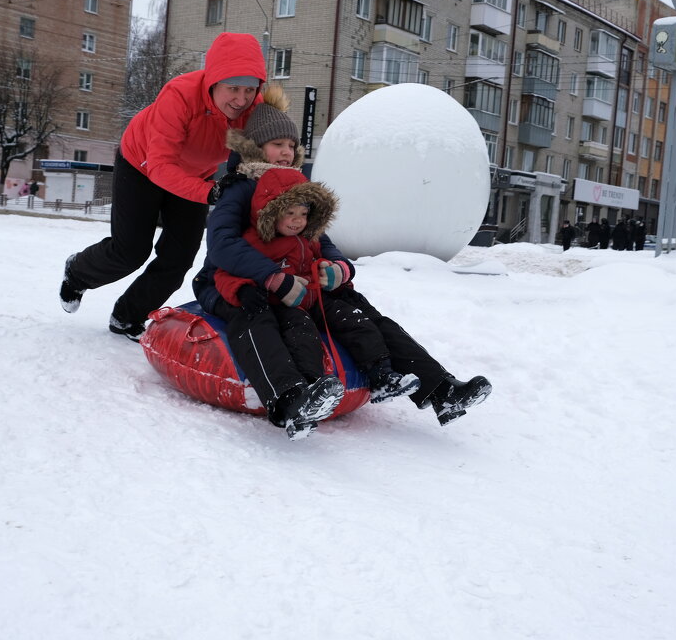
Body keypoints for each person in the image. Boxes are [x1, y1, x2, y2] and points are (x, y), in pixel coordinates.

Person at [193, 85, 491, 429]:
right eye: (278, 145)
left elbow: (319, 237)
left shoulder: (295, 186)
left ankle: (439, 389)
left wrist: (338, 268)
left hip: (299, 280)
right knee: (256, 315)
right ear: (255, 147)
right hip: (233, 282)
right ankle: (289, 397)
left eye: (291, 145)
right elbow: (222, 245)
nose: (287, 152)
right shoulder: (238, 187)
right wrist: (272, 277)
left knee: (363, 310)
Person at [59, 32, 266, 341]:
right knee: (130, 251)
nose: (241, 99)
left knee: (179, 257)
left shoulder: (254, 108)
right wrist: (210, 192)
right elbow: (160, 166)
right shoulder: (180, 95)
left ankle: (127, 316)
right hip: (142, 165)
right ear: (213, 82)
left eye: (249, 90)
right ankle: (77, 272)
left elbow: (259, 153)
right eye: (233, 88)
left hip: (196, 174)